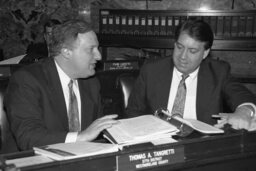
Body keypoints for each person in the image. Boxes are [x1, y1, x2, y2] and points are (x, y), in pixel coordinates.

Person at [4, 19, 118, 151]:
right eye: (91, 49)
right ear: (66, 52)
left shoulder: (91, 83)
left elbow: (97, 133)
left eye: (97, 48)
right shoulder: (27, 80)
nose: (98, 56)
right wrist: (79, 137)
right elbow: (28, 137)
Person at [126, 19, 256, 131]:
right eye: (179, 47)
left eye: (192, 51)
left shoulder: (218, 72)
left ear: (205, 53)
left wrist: (244, 111)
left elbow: (242, 95)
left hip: (201, 146)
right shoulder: (152, 70)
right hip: (158, 143)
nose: (183, 56)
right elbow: (132, 113)